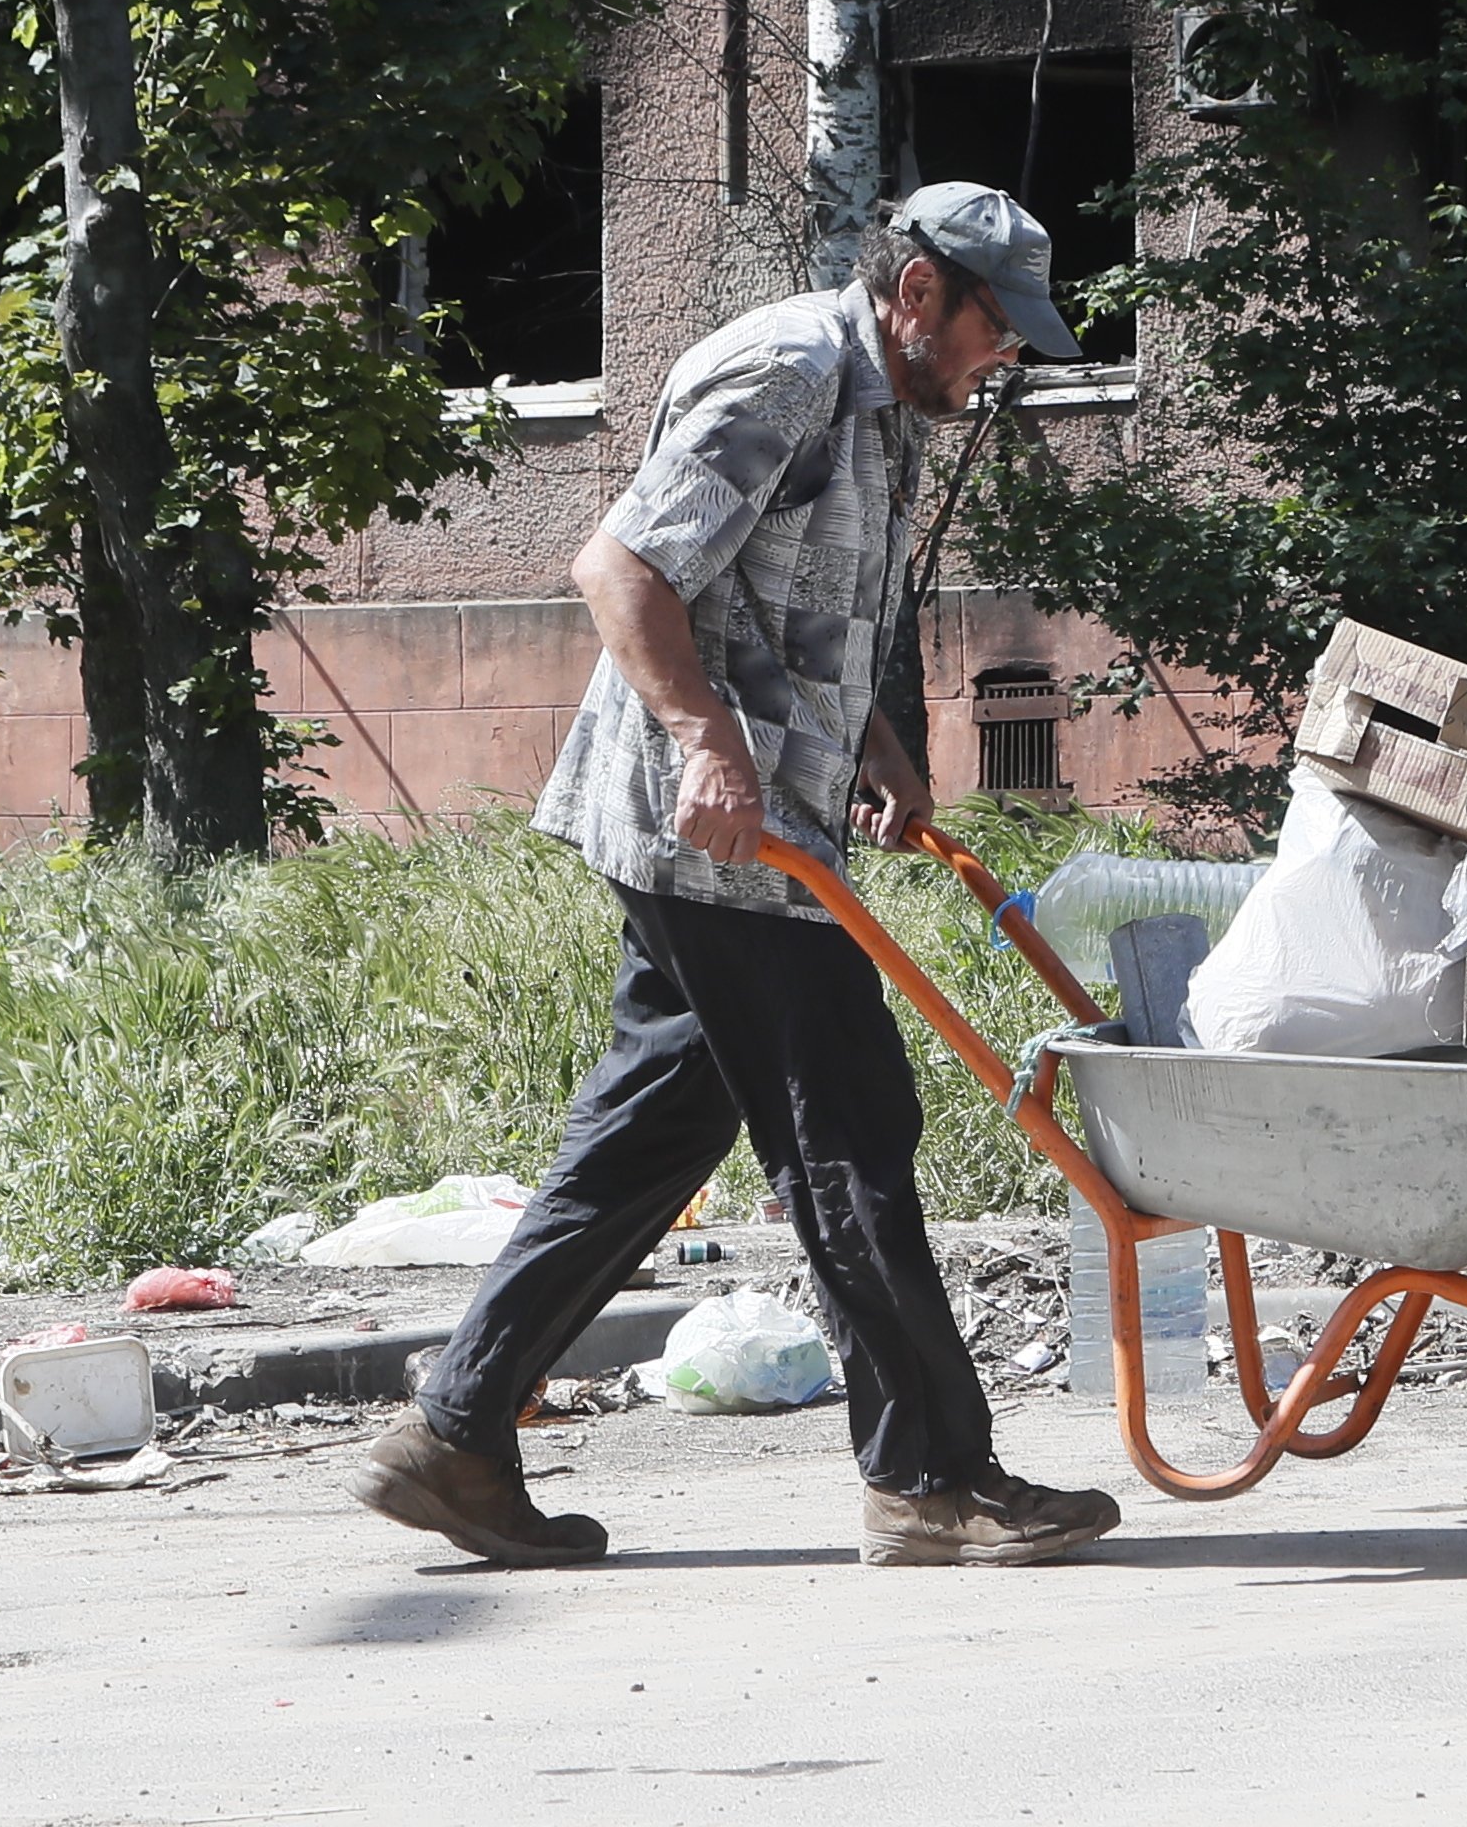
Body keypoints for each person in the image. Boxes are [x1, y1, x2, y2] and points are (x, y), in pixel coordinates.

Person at [355, 184, 1127, 1571]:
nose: (1002, 357)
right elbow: (621, 569)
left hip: (766, 823)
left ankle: (456, 1436)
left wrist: (880, 741)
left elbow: (790, 607)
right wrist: (706, 745)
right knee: (851, 1128)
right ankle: (934, 1477)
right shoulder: (786, 372)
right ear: (915, 294)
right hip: (718, 835)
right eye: (992, 327)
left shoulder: (882, 408)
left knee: (655, 1131)